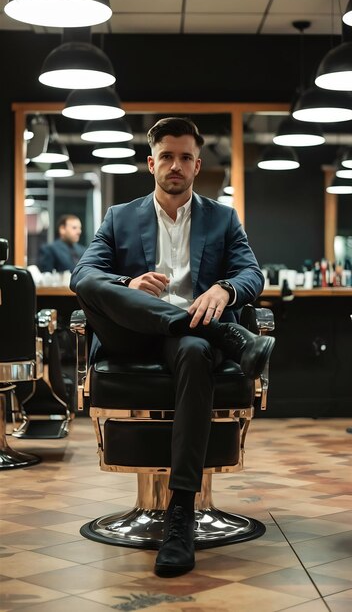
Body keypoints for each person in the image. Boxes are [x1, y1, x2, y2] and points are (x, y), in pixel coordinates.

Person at [70, 117, 275, 577]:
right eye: (167, 156)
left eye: (185, 157)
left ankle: (181, 515)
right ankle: (226, 335)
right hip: (133, 335)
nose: (176, 165)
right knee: (90, 282)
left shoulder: (223, 218)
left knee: (195, 350)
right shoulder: (119, 216)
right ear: (151, 163)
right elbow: (83, 275)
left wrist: (224, 289)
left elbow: (252, 275)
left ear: (197, 165)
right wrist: (128, 282)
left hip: (192, 340)